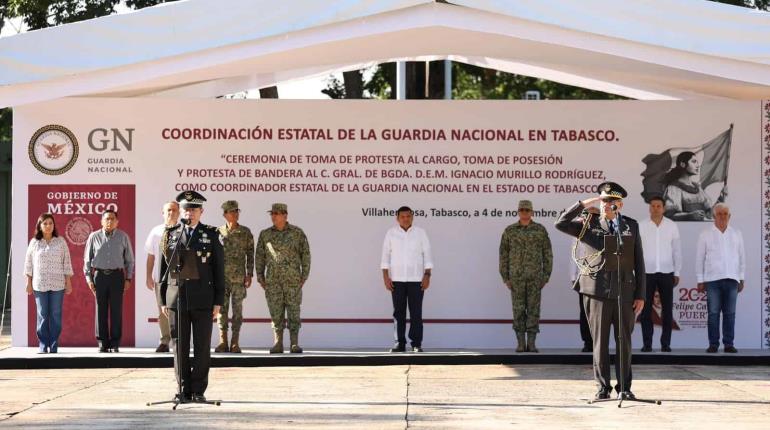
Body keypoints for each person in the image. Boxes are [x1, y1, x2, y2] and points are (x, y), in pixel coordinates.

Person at [555, 182, 645, 400]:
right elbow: (560, 222)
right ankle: (603, 388)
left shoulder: (630, 226)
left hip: (624, 291)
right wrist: (587, 203)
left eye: (611, 201)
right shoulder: (589, 224)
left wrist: (641, 294)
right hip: (596, 291)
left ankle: (624, 387)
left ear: (620, 205)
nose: (606, 205)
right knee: (600, 341)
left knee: (624, 341)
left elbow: (639, 262)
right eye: (603, 200)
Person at [160, 190, 224, 403]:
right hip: (177, 297)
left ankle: (198, 390)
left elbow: (218, 269)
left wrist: (218, 300)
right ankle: (183, 389)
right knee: (179, 345)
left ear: (201, 211)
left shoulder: (212, 234)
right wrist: (163, 299)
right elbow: (163, 269)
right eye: (186, 209)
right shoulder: (171, 234)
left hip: (203, 298)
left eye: (194, 209)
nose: (190, 213)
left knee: (202, 345)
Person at [255, 203, 311, 354]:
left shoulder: (297, 233)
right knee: (275, 313)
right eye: (272, 214)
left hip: (293, 282)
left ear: (285, 215)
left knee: (294, 312)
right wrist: (260, 277)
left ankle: (294, 343)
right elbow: (259, 257)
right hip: (273, 282)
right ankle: (278, 343)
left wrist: (304, 276)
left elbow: (305, 255)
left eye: (276, 213)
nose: (273, 216)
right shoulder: (265, 234)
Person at [499, 200, 552, 353]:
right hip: (516, 278)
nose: (524, 213)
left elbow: (547, 254)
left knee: (534, 310)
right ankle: (521, 343)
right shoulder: (510, 231)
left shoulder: (540, 230)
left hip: (535, 277)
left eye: (527, 210)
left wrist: (546, 276)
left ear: (532, 212)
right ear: (518, 211)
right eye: (522, 210)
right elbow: (503, 255)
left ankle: (532, 343)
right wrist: (506, 277)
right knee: (518, 310)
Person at [381, 206, 433, 353]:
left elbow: (427, 255)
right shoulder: (391, 234)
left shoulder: (420, 233)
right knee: (398, 312)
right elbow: (385, 256)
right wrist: (385, 276)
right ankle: (400, 343)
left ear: (412, 217)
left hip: (417, 279)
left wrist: (427, 275)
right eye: (402, 216)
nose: (406, 219)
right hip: (396, 279)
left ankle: (416, 343)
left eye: (408, 216)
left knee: (416, 312)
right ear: (397, 218)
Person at [695, 203, 744, 353]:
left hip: (732, 279)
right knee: (713, 313)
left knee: (730, 314)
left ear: (729, 216)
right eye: (719, 214)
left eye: (725, 214)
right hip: (712, 280)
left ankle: (728, 344)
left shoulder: (736, 234)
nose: (722, 216)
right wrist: (700, 279)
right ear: (714, 216)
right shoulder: (705, 234)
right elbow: (699, 258)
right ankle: (713, 344)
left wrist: (741, 277)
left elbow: (742, 257)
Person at [84, 210, 134, 353]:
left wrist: (128, 278)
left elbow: (129, 260)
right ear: (101, 221)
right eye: (106, 219)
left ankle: (115, 342)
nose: (109, 222)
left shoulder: (123, 237)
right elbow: (87, 260)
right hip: (99, 276)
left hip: (117, 277)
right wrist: (89, 279)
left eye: (112, 219)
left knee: (116, 310)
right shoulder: (94, 237)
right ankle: (102, 342)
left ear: (117, 222)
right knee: (100, 309)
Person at [24, 213, 73, 353]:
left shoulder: (60, 241)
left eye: (50, 223)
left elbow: (67, 262)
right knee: (42, 314)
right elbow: (28, 264)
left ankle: (54, 344)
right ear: (39, 226)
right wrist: (28, 282)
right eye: (45, 223)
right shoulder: (34, 242)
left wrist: (68, 281)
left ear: (54, 225)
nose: (48, 226)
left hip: (58, 284)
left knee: (56, 314)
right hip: (39, 284)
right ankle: (43, 344)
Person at [639, 195, 682, 352]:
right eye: (653, 206)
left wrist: (676, 271)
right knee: (645, 310)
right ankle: (647, 344)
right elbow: (636, 252)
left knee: (667, 309)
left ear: (663, 208)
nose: (656, 208)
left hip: (666, 272)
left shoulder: (671, 226)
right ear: (649, 208)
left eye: (659, 206)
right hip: (646, 273)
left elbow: (677, 251)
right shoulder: (641, 226)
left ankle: (666, 344)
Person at [215, 200, 254, 354]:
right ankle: (223, 342)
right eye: (232, 211)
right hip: (221, 279)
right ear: (225, 214)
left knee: (237, 312)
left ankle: (235, 342)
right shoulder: (217, 232)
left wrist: (249, 274)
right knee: (221, 311)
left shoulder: (245, 232)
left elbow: (250, 254)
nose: (235, 214)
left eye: (237, 210)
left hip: (238, 279)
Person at [144, 201, 180, 353]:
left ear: (179, 213)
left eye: (174, 210)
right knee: (162, 311)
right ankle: (165, 341)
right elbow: (151, 256)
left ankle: (179, 341)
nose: (171, 213)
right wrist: (148, 276)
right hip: (160, 278)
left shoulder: (184, 230)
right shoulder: (156, 231)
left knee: (179, 310)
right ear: (163, 213)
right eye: (168, 210)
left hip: (179, 278)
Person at [662, 151, 717, 221]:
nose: (697, 165)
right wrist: (689, 215)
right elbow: (670, 215)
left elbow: (709, 214)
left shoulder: (698, 188)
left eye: (697, 162)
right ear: (682, 164)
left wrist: (721, 198)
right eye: (694, 162)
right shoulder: (674, 188)